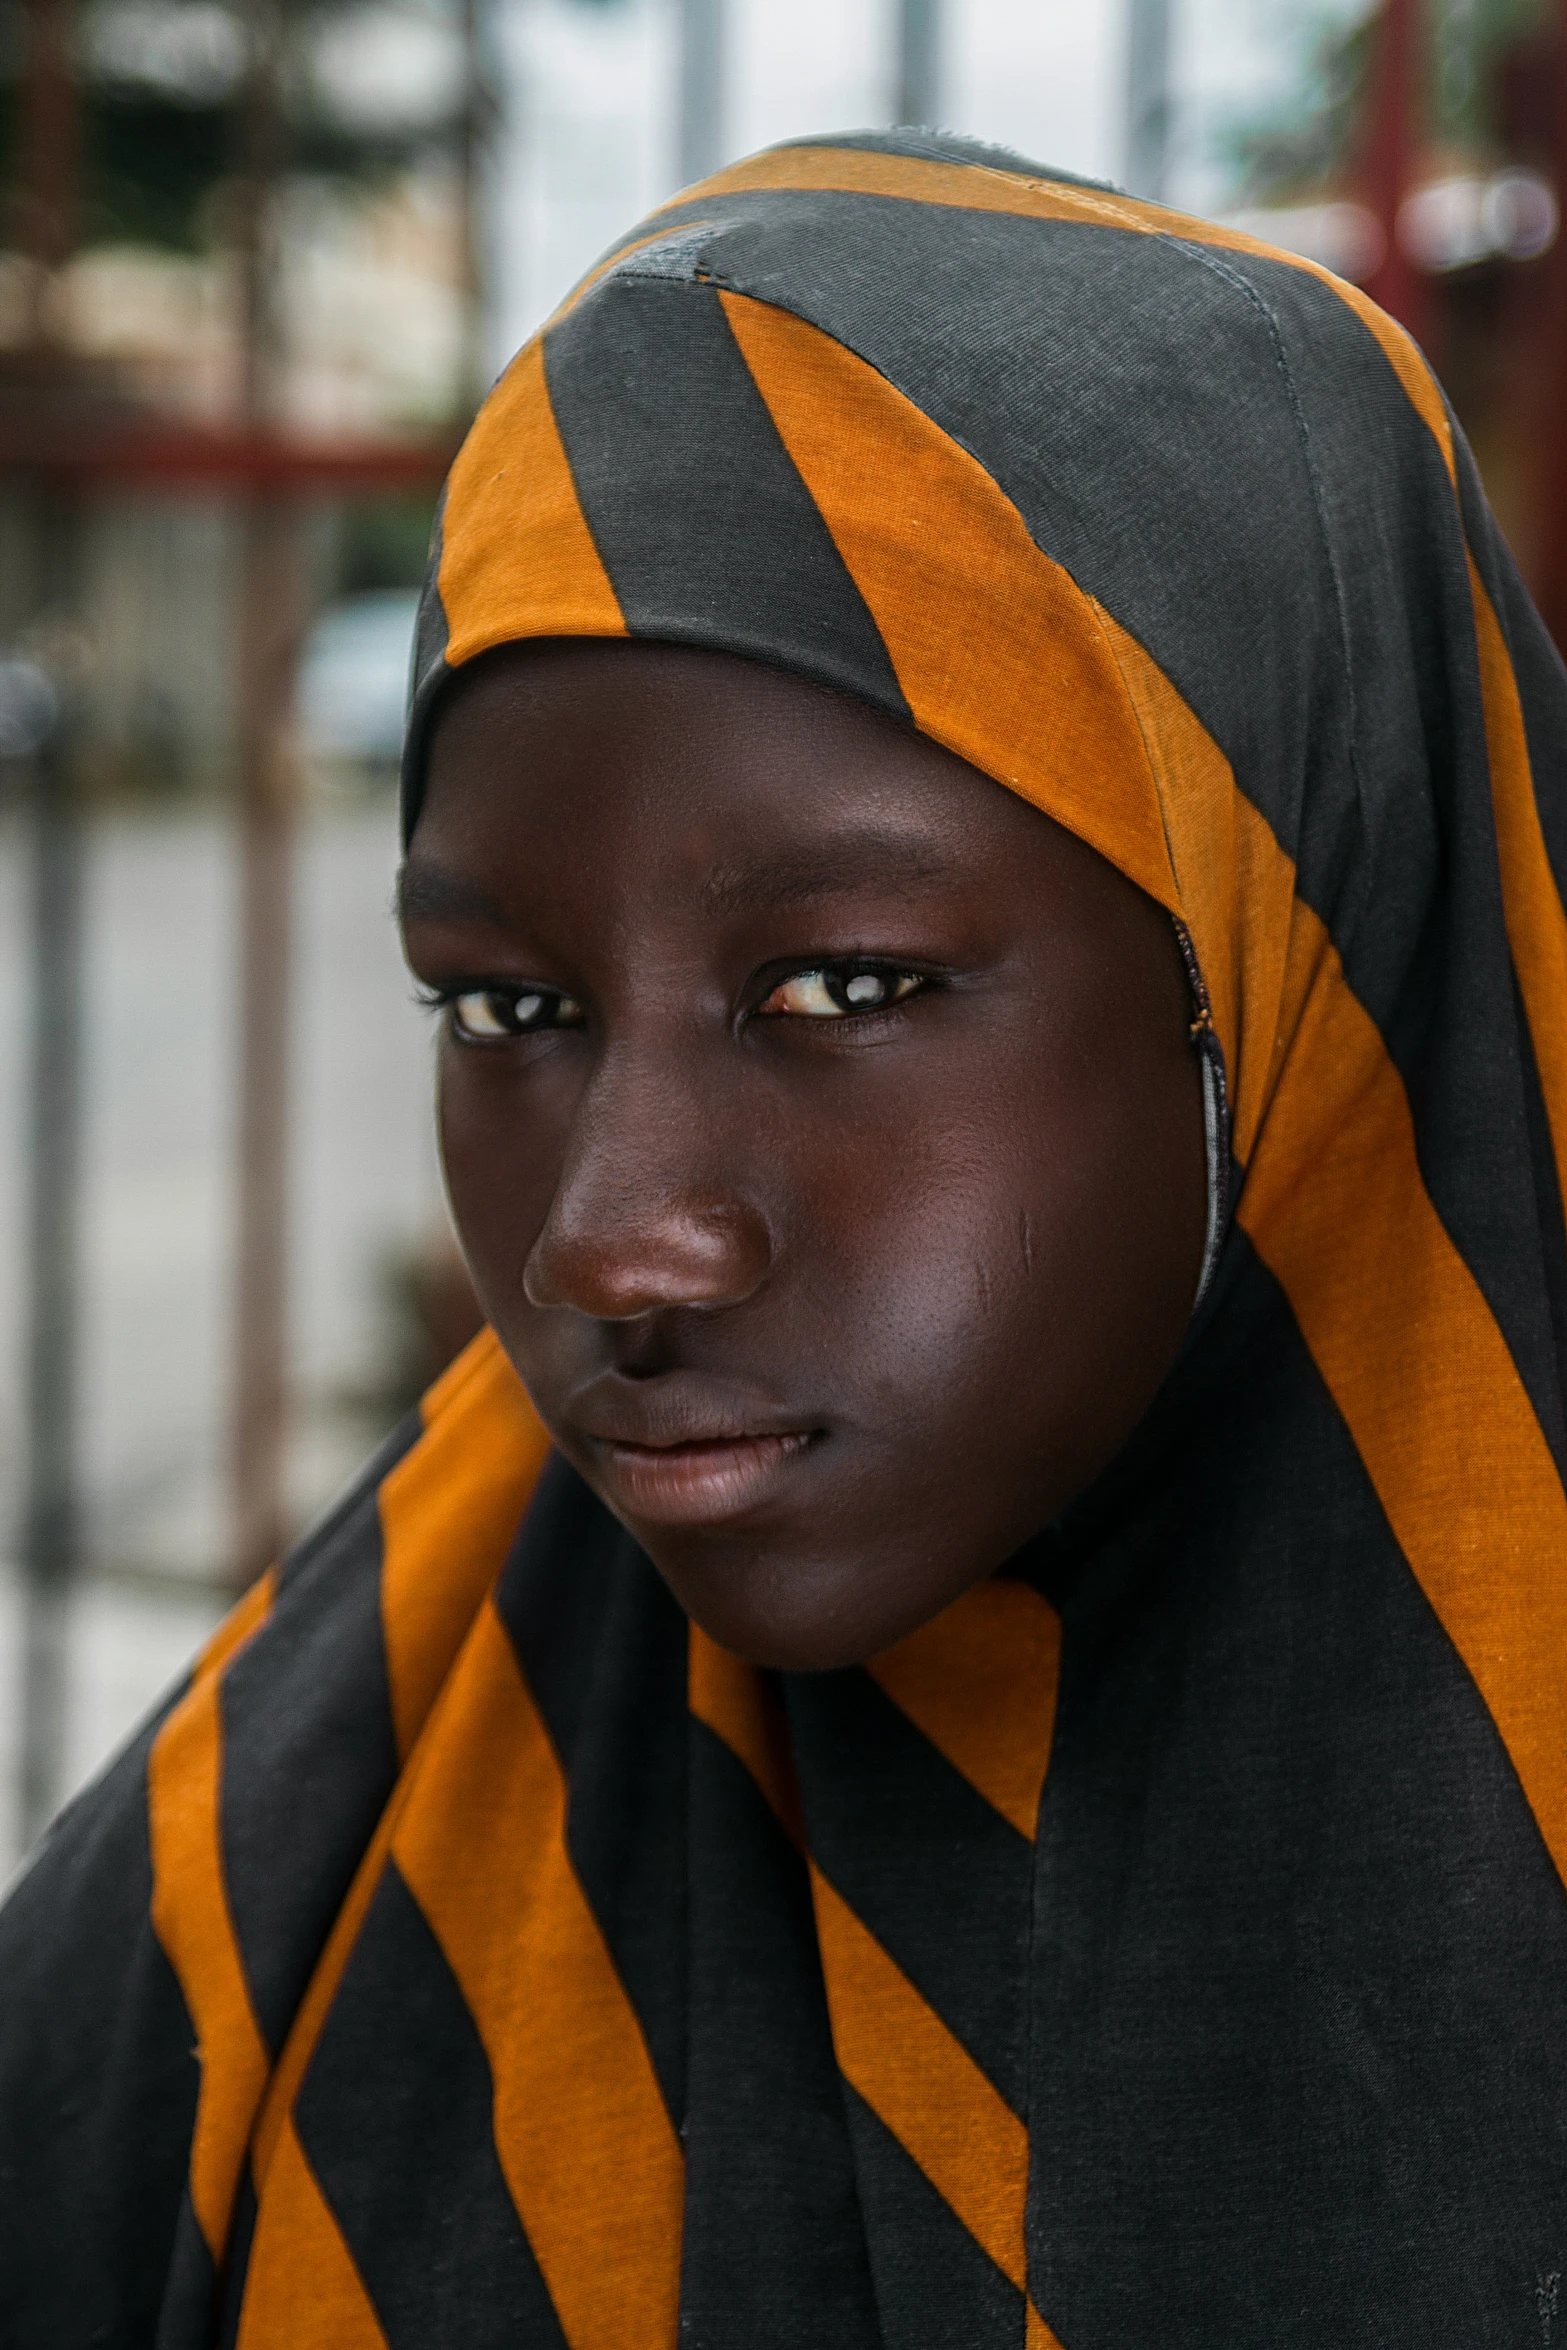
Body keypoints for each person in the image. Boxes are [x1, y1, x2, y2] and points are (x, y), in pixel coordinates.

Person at [5, 126, 1567, 2348]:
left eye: (842, 985)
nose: (611, 1243)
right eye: (508, 1008)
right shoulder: (297, 1874)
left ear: (1291, 946)